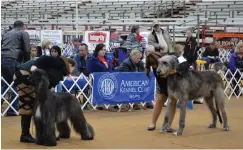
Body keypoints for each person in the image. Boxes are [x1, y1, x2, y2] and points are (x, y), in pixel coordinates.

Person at [13, 55, 70, 143]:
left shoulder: (54, 67)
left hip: (24, 75)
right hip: (23, 75)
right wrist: (34, 66)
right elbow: (43, 58)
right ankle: (25, 135)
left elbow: (48, 87)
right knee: (28, 105)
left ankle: (44, 134)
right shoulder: (55, 62)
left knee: (34, 105)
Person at [1, 20, 30, 116]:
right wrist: (27, 64)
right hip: (14, 59)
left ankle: (9, 107)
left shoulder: (6, 34)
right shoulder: (23, 33)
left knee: (5, 84)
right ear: (22, 26)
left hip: (3, 59)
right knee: (16, 83)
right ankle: (12, 109)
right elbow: (27, 49)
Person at [146, 45, 176, 131]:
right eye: (152, 66)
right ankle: (153, 123)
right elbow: (159, 79)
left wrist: (173, 72)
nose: (155, 67)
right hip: (161, 83)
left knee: (172, 102)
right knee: (159, 100)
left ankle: (168, 125)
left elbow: (181, 68)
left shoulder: (170, 59)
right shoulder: (153, 64)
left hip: (174, 82)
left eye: (156, 65)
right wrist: (163, 91)